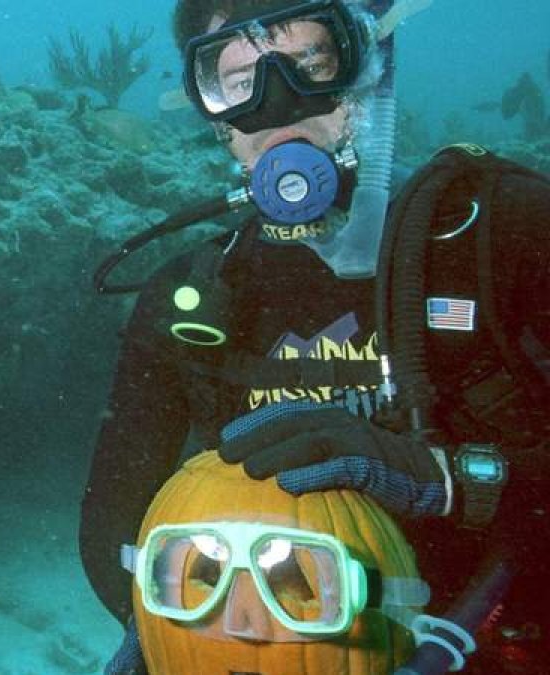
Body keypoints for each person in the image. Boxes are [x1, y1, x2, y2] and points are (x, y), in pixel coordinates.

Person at [81, 0, 550, 672]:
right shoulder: (191, 297)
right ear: (215, 121)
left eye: (309, 64)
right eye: (237, 83)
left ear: (368, 74)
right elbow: (112, 519)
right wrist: (162, 629)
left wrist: (448, 478)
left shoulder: (509, 236)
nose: (275, 107)